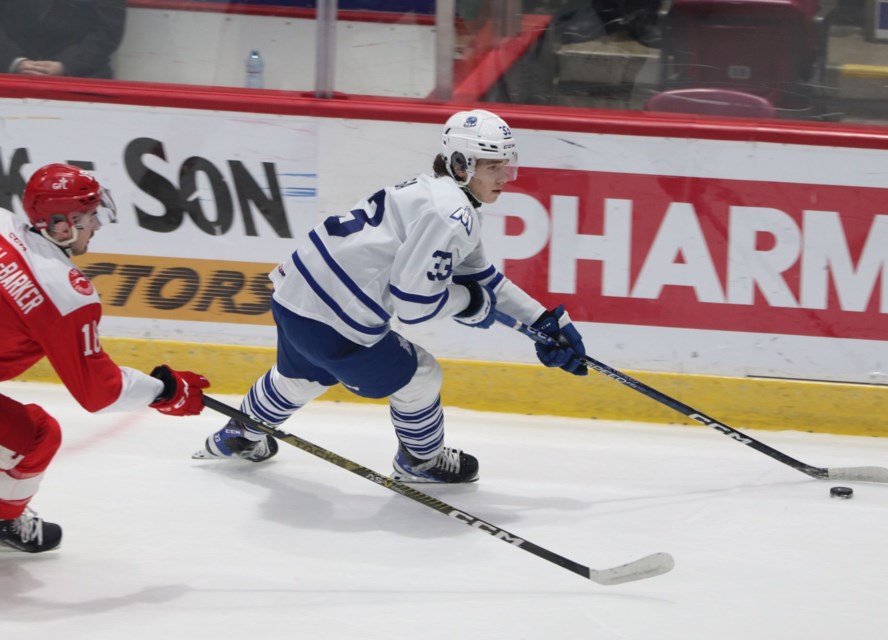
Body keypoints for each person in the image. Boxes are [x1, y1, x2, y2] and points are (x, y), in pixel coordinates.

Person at [194, 109, 588, 483]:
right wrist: (470, 304)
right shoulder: (452, 214)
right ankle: (422, 460)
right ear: (460, 165)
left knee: (301, 377)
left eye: (506, 164)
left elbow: (481, 277)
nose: (504, 176)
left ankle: (240, 434)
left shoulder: (433, 193)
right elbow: (414, 307)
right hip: (336, 323)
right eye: (492, 166)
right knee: (421, 375)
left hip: (293, 300)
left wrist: (543, 321)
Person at [0, 163, 210, 553]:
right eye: (90, 215)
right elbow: (100, 392)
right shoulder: (62, 291)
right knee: (37, 436)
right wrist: (165, 390)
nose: (96, 225)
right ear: (61, 224)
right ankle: (3, 517)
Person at [0, 0, 127, 79]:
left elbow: (108, 33)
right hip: (8, 75)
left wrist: (65, 65)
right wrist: (16, 62)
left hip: (84, 78)